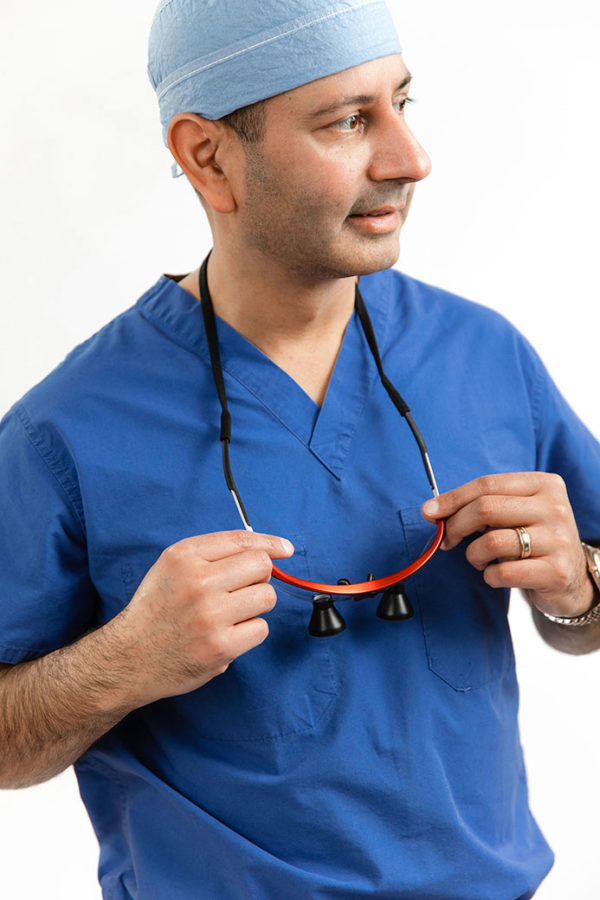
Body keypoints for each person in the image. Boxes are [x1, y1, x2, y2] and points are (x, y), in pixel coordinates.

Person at [1, 0, 599, 897]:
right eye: (348, 121)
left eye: (403, 103)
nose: (410, 159)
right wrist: (125, 660)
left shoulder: (483, 354)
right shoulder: (66, 431)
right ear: (209, 157)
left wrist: (579, 589)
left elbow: (589, 600)